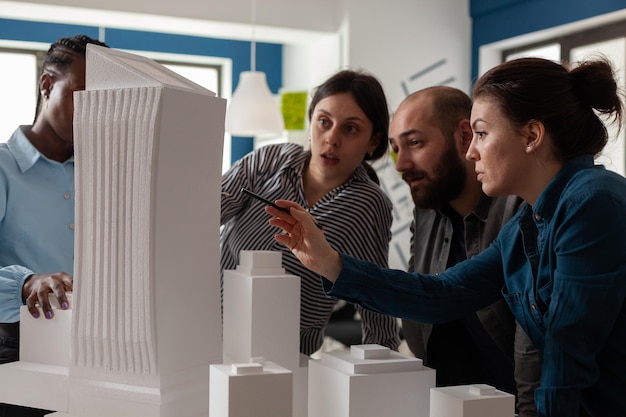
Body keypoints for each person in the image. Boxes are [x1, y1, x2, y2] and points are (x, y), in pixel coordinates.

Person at [268, 56, 626, 417]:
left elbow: (566, 362)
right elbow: (443, 293)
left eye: (482, 133)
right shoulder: (527, 224)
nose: (471, 151)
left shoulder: (592, 201)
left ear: (532, 135)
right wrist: (330, 262)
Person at [220, 69, 401, 355]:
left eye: (350, 128)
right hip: (208, 331)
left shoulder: (367, 205)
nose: (331, 138)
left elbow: (374, 294)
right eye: (324, 122)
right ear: (311, 121)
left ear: (374, 141)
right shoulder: (270, 160)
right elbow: (203, 212)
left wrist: (383, 368)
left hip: (285, 357)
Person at [392, 86, 540, 416]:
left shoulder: (521, 208)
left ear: (464, 136)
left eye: (415, 143)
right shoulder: (427, 210)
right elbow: (419, 309)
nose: (401, 163)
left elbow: (537, 345)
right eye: (395, 149)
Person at [0, 34, 109, 417]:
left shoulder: (103, 177)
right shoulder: (3, 169)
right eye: (83, 93)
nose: (93, 110)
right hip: (15, 354)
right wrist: (27, 282)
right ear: (47, 85)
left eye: (103, 100)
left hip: (95, 355)